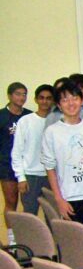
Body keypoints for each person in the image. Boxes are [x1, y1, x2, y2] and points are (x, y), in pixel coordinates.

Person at [41, 82, 83, 225]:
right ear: (59, 105)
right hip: (69, 197)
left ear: (81, 101)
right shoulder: (52, 132)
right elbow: (49, 168)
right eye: (65, 99)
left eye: (74, 98)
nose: (71, 103)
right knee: (76, 241)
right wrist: (59, 199)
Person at [10, 85, 53, 241]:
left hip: (52, 177)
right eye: (41, 97)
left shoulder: (57, 121)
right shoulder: (26, 121)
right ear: (36, 99)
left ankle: (55, 253)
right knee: (30, 218)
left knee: (53, 218)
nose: (45, 101)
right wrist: (21, 177)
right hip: (31, 176)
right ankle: (29, 251)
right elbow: (17, 152)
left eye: (49, 98)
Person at [1, 83, 29, 214]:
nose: (22, 97)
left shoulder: (29, 116)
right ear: (9, 96)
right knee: (11, 202)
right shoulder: (1, 116)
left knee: (29, 203)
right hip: (7, 167)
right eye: (18, 94)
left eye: (24, 94)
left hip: (28, 166)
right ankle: (12, 234)